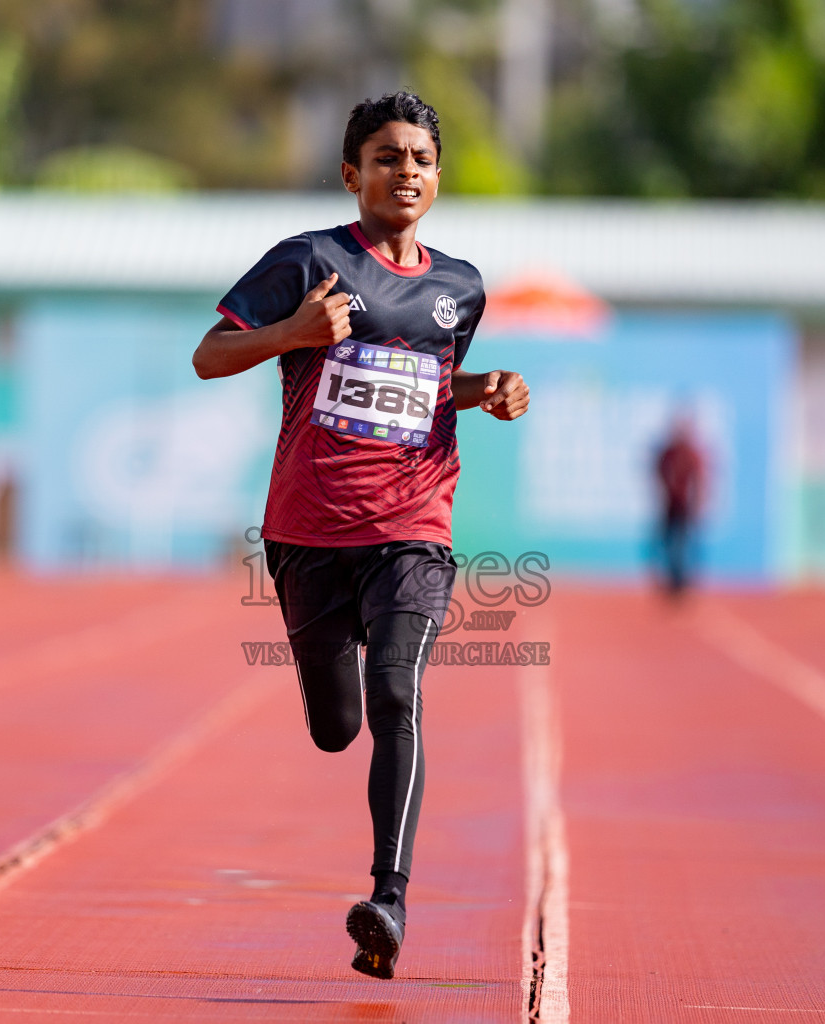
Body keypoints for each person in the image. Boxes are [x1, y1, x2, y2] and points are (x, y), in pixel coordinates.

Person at [193, 91, 530, 980]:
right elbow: (207, 354)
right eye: (387, 157)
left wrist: (480, 387)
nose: (405, 171)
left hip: (413, 529)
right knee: (337, 728)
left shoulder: (461, 287)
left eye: (420, 158)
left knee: (398, 698)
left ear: (438, 175)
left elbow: (424, 386)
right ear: (352, 175)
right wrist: (293, 333)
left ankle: (388, 899)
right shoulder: (306, 261)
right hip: (307, 535)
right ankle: (326, 699)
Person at [654, 415, 706, 598]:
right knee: (668, 544)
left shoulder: (692, 453)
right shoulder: (668, 453)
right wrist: (666, 489)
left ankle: (681, 583)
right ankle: (672, 580)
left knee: (683, 545)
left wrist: (697, 504)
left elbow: (699, 479)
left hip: (686, 508)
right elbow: (658, 471)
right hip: (669, 506)